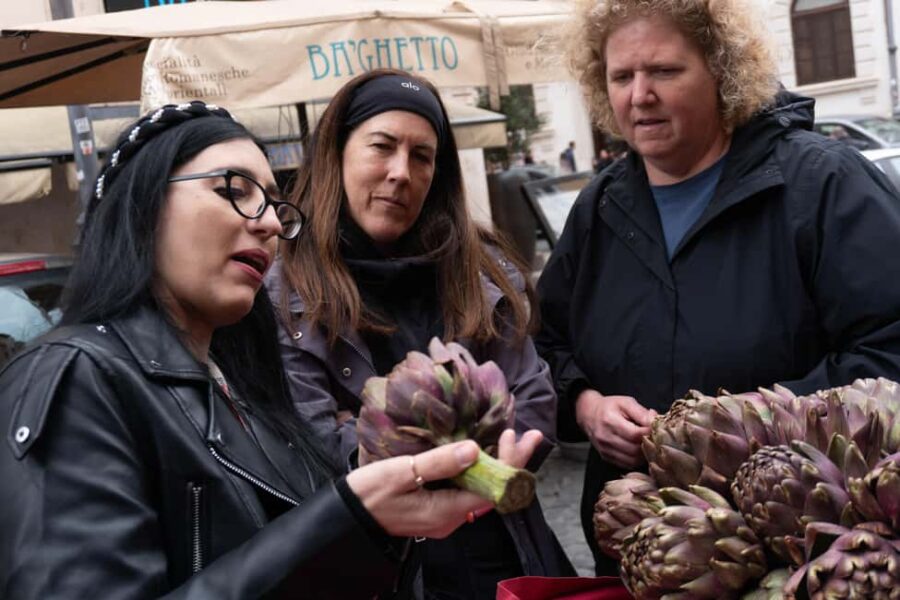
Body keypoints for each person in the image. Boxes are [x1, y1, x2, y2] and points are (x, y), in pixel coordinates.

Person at [0, 101, 544, 599]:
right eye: (233, 189)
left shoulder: (243, 395)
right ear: (143, 203)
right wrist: (350, 517)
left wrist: (385, 524)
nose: (266, 225)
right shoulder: (75, 378)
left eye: (273, 206)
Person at [536, 0, 900, 576]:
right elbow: (544, 349)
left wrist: (741, 429)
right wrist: (586, 405)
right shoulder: (599, 208)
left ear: (723, 72)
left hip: (802, 551)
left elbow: (890, 350)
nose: (639, 95)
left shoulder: (822, 184)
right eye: (621, 76)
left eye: (664, 71)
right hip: (646, 556)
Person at [267, 69, 574, 599]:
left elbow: (535, 405)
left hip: (508, 562)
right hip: (380, 575)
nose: (400, 173)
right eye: (381, 147)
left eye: (422, 156)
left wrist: (375, 430)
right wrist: (470, 440)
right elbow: (313, 451)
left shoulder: (483, 271)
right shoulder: (284, 293)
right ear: (335, 154)